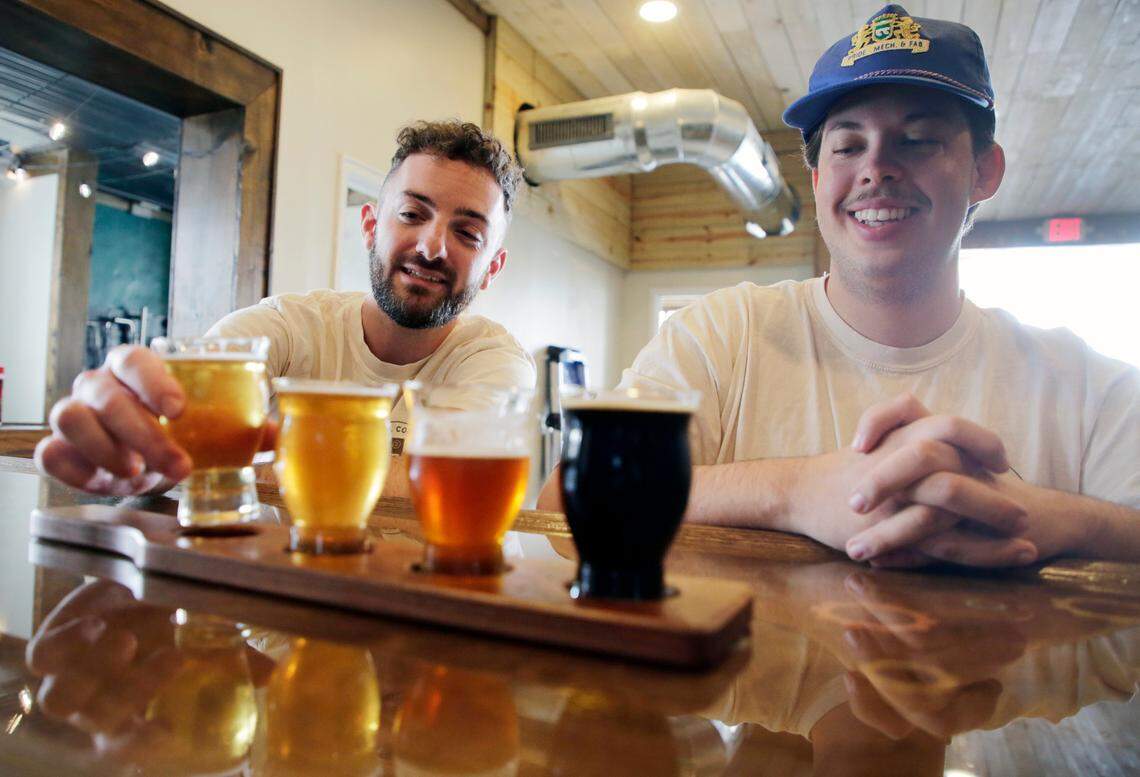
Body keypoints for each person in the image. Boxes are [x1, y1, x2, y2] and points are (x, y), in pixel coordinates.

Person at [540, 4, 1140, 567]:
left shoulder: (1089, 385)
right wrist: (795, 492)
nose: (876, 168)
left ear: (985, 171)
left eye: (918, 140)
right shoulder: (719, 335)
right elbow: (563, 508)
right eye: (849, 146)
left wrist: (1025, 513)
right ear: (818, 177)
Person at [37, 120, 536, 498]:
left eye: (468, 233)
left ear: (493, 267)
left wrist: (237, 460)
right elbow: (190, 412)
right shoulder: (288, 327)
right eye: (411, 214)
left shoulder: (495, 360)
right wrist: (140, 435)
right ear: (370, 226)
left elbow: (444, 482)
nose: (431, 247)